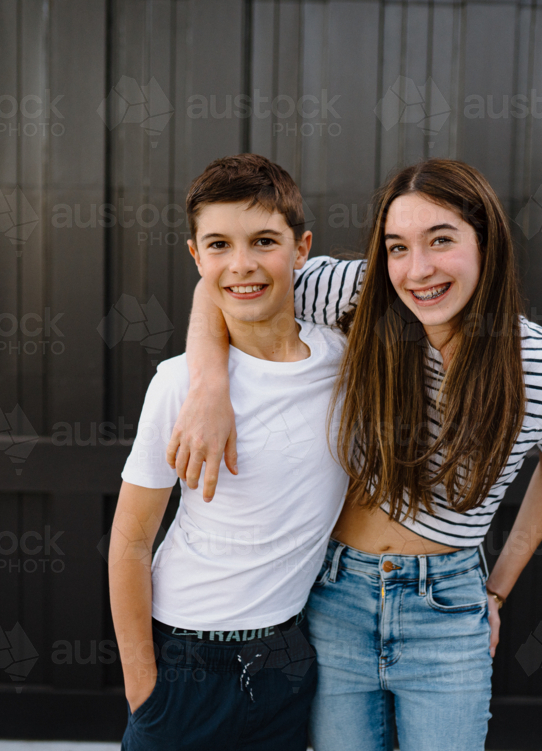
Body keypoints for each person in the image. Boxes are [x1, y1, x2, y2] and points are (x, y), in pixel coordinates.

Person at [169, 158, 542, 751]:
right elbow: (224, 282)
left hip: (445, 612)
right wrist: (209, 386)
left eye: (441, 240)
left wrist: (496, 590)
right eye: (397, 247)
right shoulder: (360, 293)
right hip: (333, 597)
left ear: (486, 243)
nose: (417, 270)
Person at [109, 153, 349, 751]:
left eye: (264, 240)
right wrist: (145, 693)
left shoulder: (345, 363)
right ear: (196, 257)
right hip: (188, 658)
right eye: (218, 244)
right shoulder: (179, 384)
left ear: (301, 249)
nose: (242, 265)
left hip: (290, 659)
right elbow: (131, 541)